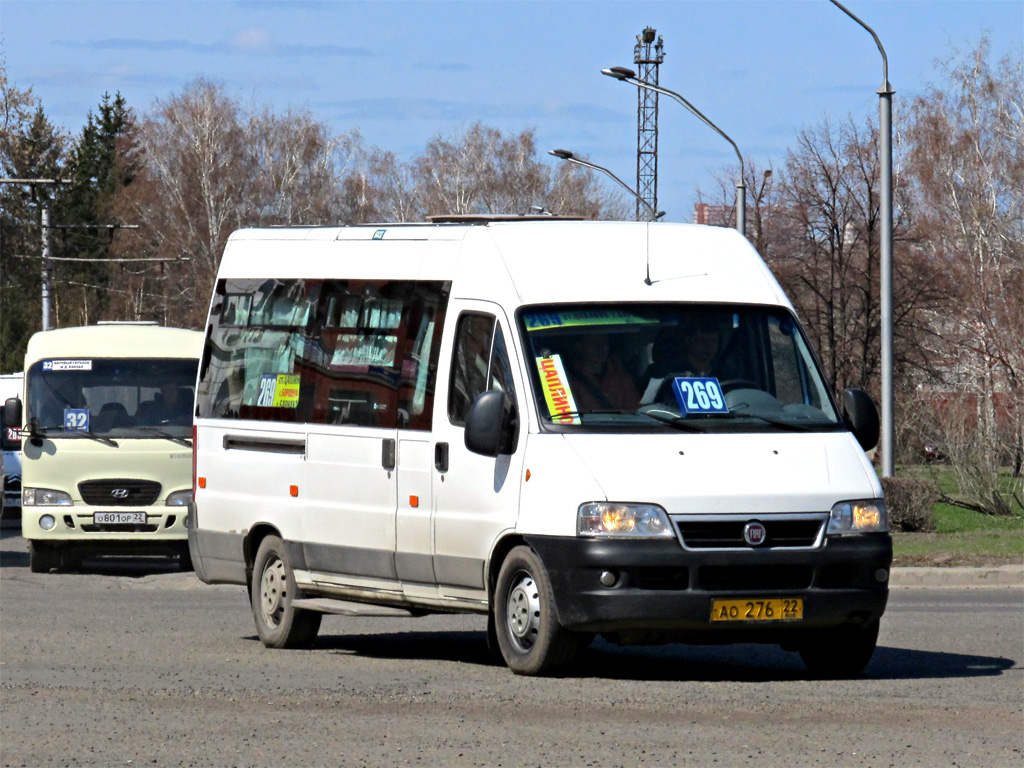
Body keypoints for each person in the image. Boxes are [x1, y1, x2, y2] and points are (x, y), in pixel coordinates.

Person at [563, 333, 640, 412]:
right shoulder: (567, 380)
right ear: (580, 347)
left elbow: (635, 410)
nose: (600, 347)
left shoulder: (622, 378)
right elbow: (568, 415)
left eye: (604, 342)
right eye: (594, 343)